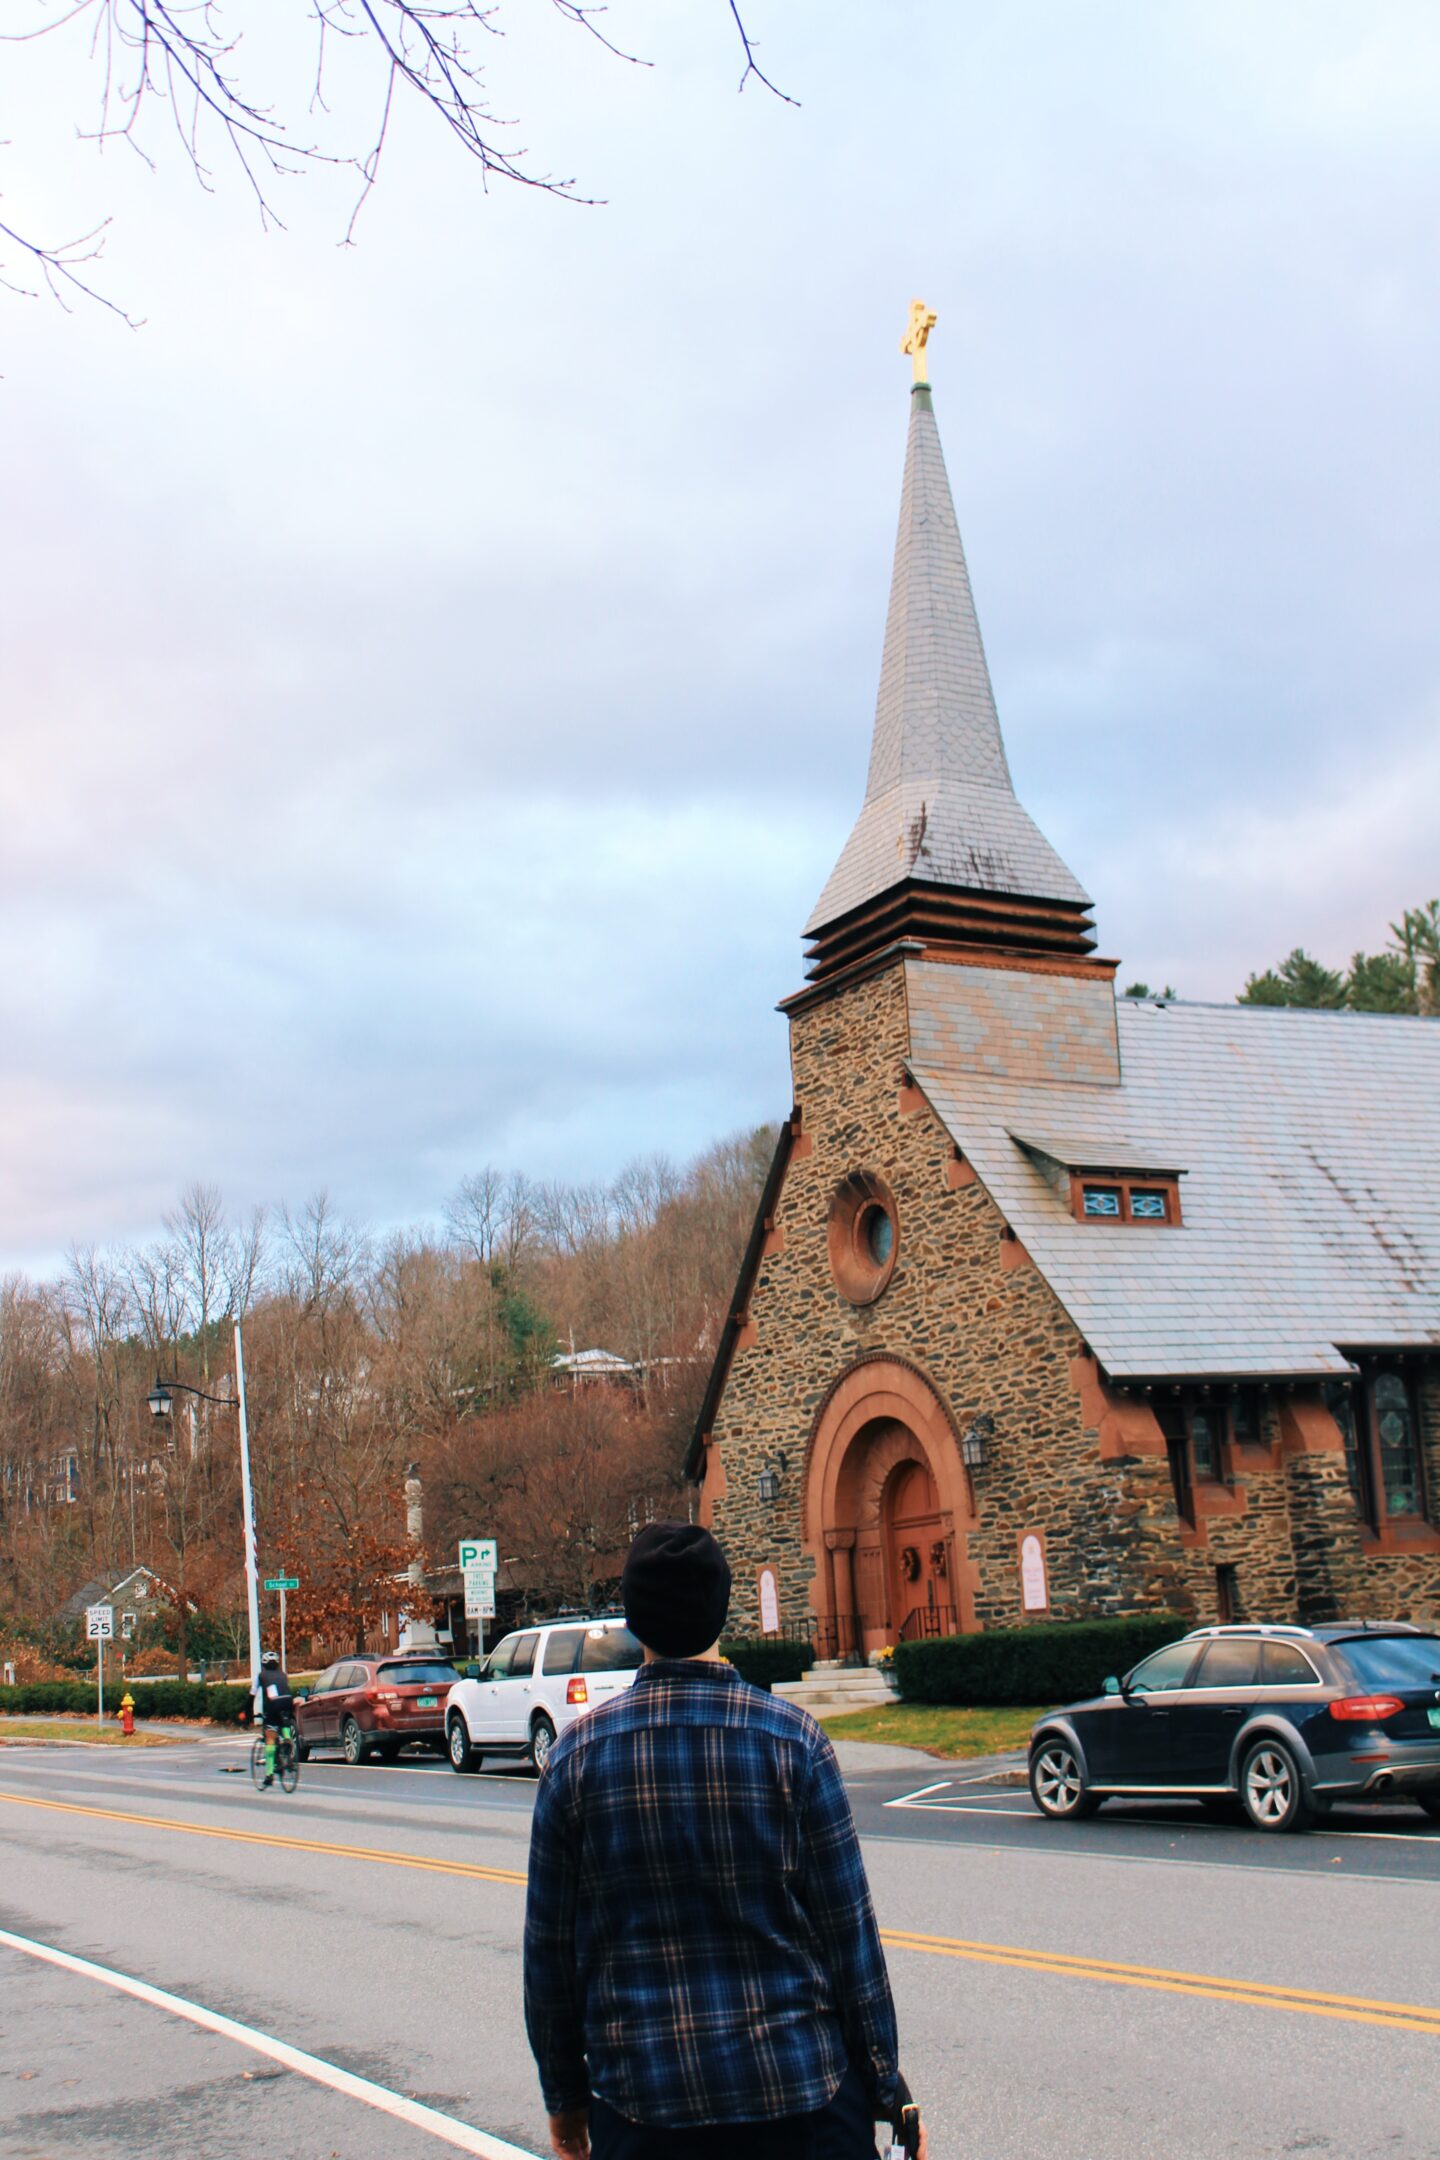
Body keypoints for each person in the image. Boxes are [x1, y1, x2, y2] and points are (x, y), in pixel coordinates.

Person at [524, 1522, 926, 2160]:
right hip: (801, 2100)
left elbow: (550, 1960)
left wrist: (565, 2100)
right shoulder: (793, 1741)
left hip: (645, 2107)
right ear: (722, 1610)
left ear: (632, 1619)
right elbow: (850, 1936)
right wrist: (885, 2082)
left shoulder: (575, 1760)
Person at [253, 1649, 295, 1787]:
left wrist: (247, 1713)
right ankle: (287, 1739)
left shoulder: (261, 1676)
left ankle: (269, 1774)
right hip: (288, 1701)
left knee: (270, 1737)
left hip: (273, 1705)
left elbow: (252, 1696)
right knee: (284, 1721)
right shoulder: (283, 1675)